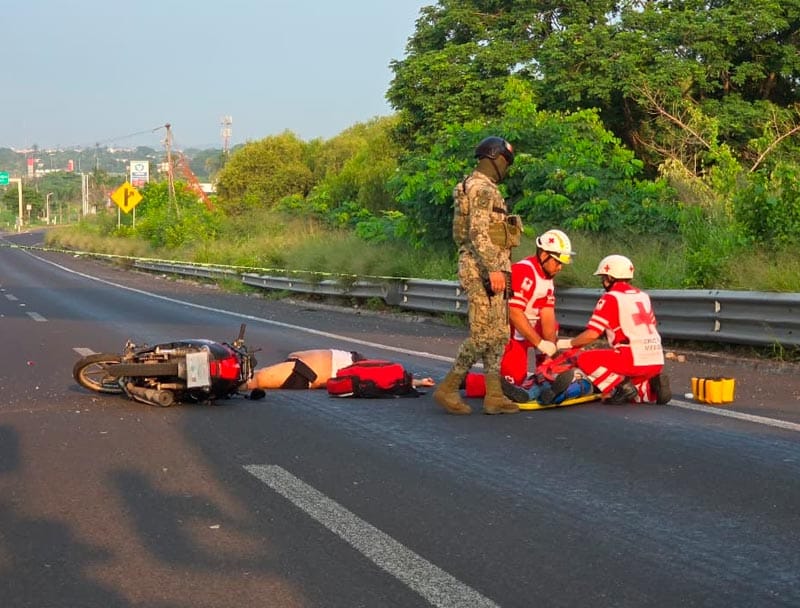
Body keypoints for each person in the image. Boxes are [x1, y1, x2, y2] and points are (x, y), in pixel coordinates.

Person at [433, 135, 523, 415]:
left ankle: (494, 394)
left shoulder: (476, 186)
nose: (507, 168)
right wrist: (494, 269)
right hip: (481, 269)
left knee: (499, 334)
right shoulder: (482, 189)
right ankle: (449, 386)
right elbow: (478, 233)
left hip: (493, 267)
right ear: (496, 158)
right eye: (506, 162)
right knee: (484, 335)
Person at [555, 254, 672, 404]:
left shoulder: (610, 298)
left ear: (610, 278)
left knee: (585, 360)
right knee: (634, 392)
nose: (602, 281)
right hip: (656, 359)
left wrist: (565, 344)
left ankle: (620, 387)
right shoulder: (643, 296)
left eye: (603, 277)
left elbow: (592, 334)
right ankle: (651, 386)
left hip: (631, 357)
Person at [501, 228, 574, 387]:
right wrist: (540, 343)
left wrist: (551, 350)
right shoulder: (523, 271)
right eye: (557, 261)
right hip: (512, 334)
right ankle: (469, 381)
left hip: (529, 331)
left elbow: (547, 314)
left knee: (552, 328)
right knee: (512, 382)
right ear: (543, 255)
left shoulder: (548, 278)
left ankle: (544, 372)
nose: (560, 267)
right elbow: (514, 313)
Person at [244, 348, 434, 390]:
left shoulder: (362, 367)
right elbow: (386, 376)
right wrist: (416, 381)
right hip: (303, 368)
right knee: (253, 376)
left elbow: (386, 377)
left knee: (254, 380)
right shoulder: (361, 364)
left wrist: (416, 382)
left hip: (306, 371)